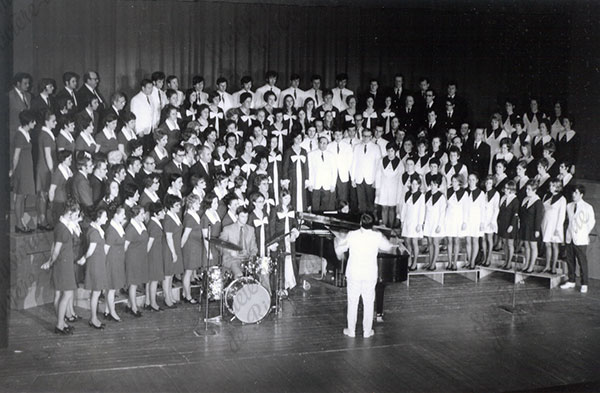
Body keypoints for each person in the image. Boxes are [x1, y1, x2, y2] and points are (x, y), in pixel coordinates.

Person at [334, 213, 397, 338]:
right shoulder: (377, 236)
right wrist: (393, 242)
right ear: (372, 224)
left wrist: (337, 243)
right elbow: (388, 247)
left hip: (354, 273)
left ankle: (351, 331)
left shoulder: (352, 235)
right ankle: (367, 332)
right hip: (369, 274)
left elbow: (340, 250)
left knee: (352, 302)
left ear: (361, 223)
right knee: (369, 303)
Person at [41, 201, 80, 335]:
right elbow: (56, 250)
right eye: (76, 214)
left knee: (64, 293)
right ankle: (59, 325)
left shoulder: (61, 225)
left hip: (65, 262)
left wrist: (50, 260)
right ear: (69, 213)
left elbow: (54, 245)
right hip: (63, 264)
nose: (77, 217)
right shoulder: (63, 228)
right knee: (67, 293)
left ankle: (62, 322)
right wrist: (50, 262)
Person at [561, 185, 595, 293]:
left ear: (581, 194)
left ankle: (584, 283)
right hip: (569, 237)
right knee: (570, 260)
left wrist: (583, 233)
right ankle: (571, 280)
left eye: (576, 193)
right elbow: (567, 221)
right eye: (573, 193)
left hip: (580, 238)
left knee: (582, 262)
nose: (573, 195)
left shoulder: (587, 207)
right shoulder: (569, 206)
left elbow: (591, 222)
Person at [80, 208, 109, 330]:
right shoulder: (94, 232)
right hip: (95, 265)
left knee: (96, 293)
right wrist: (84, 258)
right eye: (105, 216)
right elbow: (91, 250)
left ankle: (94, 318)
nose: (106, 219)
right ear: (98, 218)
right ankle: (93, 319)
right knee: (96, 293)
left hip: (99, 263)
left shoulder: (97, 230)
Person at [11, 110, 37, 233]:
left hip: (27, 168)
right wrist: (13, 170)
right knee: (20, 197)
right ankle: (19, 224)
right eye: (33, 121)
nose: (35, 123)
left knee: (23, 196)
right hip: (22, 169)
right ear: (27, 122)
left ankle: (20, 221)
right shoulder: (20, 135)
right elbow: (16, 155)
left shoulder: (26, 133)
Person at [219, 207, 258, 278]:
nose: (245, 219)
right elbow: (220, 245)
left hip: (247, 259)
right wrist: (230, 251)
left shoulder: (251, 230)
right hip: (232, 259)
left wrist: (252, 258)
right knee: (239, 275)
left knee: (263, 272)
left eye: (246, 216)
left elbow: (254, 248)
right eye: (242, 216)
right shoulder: (227, 229)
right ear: (237, 216)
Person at [124, 205, 149, 317]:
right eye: (142, 214)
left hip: (140, 257)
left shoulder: (141, 225)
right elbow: (125, 246)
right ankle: (134, 307)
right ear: (136, 215)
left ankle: (130, 305)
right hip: (132, 259)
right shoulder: (130, 228)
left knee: (135, 282)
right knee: (133, 283)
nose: (144, 215)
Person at [104, 206, 127, 322]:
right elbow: (105, 249)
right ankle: (112, 312)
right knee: (111, 288)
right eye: (122, 215)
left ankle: (107, 311)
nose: (124, 217)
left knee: (111, 288)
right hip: (112, 261)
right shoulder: (111, 230)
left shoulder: (118, 227)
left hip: (117, 260)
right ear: (116, 215)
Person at [181, 194, 204, 304]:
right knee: (188, 273)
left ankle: (185, 293)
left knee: (189, 272)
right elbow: (185, 236)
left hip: (195, 246)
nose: (199, 205)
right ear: (191, 204)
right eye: (197, 203)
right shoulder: (189, 218)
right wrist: (180, 249)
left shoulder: (194, 215)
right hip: (190, 247)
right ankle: (188, 296)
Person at [375, 143, 404, 228]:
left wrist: (399, 191)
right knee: (384, 207)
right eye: (388, 151)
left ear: (395, 151)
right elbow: (378, 175)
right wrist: (378, 188)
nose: (390, 153)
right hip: (383, 187)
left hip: (394, 188)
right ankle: (384, 227)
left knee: (391, 208)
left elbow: (400, 179)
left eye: (392, 151)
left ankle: (390, 227)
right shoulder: (382, 160)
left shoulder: (399, 163)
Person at [541, 179, 567, 274]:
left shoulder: (562, 199)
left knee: (554, 245)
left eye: (552, 185)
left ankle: (553, 267)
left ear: (557, 187)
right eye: (550, 185)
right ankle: (547, 265)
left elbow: (562, 215)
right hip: (546, 224)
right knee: (547, 245)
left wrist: (558, 228)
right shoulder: (547, 196)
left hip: (555, 226)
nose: (550, 187)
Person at [519, 180, 544, 273]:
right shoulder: (525, 199)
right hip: (524, 227)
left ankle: (531, 266)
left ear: (535, 190)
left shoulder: (537, 201)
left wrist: (537, 230)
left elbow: (538, 217)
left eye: (529, 189)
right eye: (526, 189)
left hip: (533, 228)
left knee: (533, 246)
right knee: (526, 246)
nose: (527, 191)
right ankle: (526, 264)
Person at [423, 174, 446, 270]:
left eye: (435, 184)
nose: (433, 186)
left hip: (436, 222)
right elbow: (424, 209)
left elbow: (442, 212)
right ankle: (430, 262)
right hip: (428, 221)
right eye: (432, 184)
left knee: (435, 242)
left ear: (438, 185)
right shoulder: (427, 194)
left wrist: (439, 225)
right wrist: (423, 222)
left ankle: (434, 263)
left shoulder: (441, 197)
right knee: (430, 243)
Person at [402, 177, 425, 270]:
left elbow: (422, 210)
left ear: (419, 185)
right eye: (412, 183)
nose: (414, 186)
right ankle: (409, 260)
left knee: (414, 242)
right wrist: (402, 221)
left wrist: (420, 224)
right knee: (407, 241)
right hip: (407, 221)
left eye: (416, 184)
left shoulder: (421, 195)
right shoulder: (407, 194)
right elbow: (404, 208)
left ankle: (415, 262)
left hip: (415, 222)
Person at [445, 175, 468, 270]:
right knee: (449, 241)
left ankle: (455, 263)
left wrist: (464, 222)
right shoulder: (448, 191)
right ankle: (449, 262)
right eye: (452, 181)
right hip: (449, 218)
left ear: (459, 182)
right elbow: (446, 205)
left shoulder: (464, 193)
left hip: (458, 219)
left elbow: (465, 208)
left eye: (455, 181)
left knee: (456, 241)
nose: (453, 183)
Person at [464, 174, 485, 269]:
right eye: (469, 179)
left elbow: (482, 209)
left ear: (476, 180)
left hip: (476, 219)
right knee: (468, 241)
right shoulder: (465, 192)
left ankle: (473, 261)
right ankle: (469, 260)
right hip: (466, 219)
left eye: (473, 179)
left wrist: (482, 222)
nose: (471, 181)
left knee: (475, 240)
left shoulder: (481, 193)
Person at [481, 175, 500, 267]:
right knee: (483, 239)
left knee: (489, 239)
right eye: (487, 183)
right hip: (483, 219)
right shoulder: (483, 193)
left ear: (493, 184)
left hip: (490, 219)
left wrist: (492, 221)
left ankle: (489, 258)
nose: (488, 185)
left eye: (490, 183)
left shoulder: (496, 194)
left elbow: (496, 208)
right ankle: (484, 257)